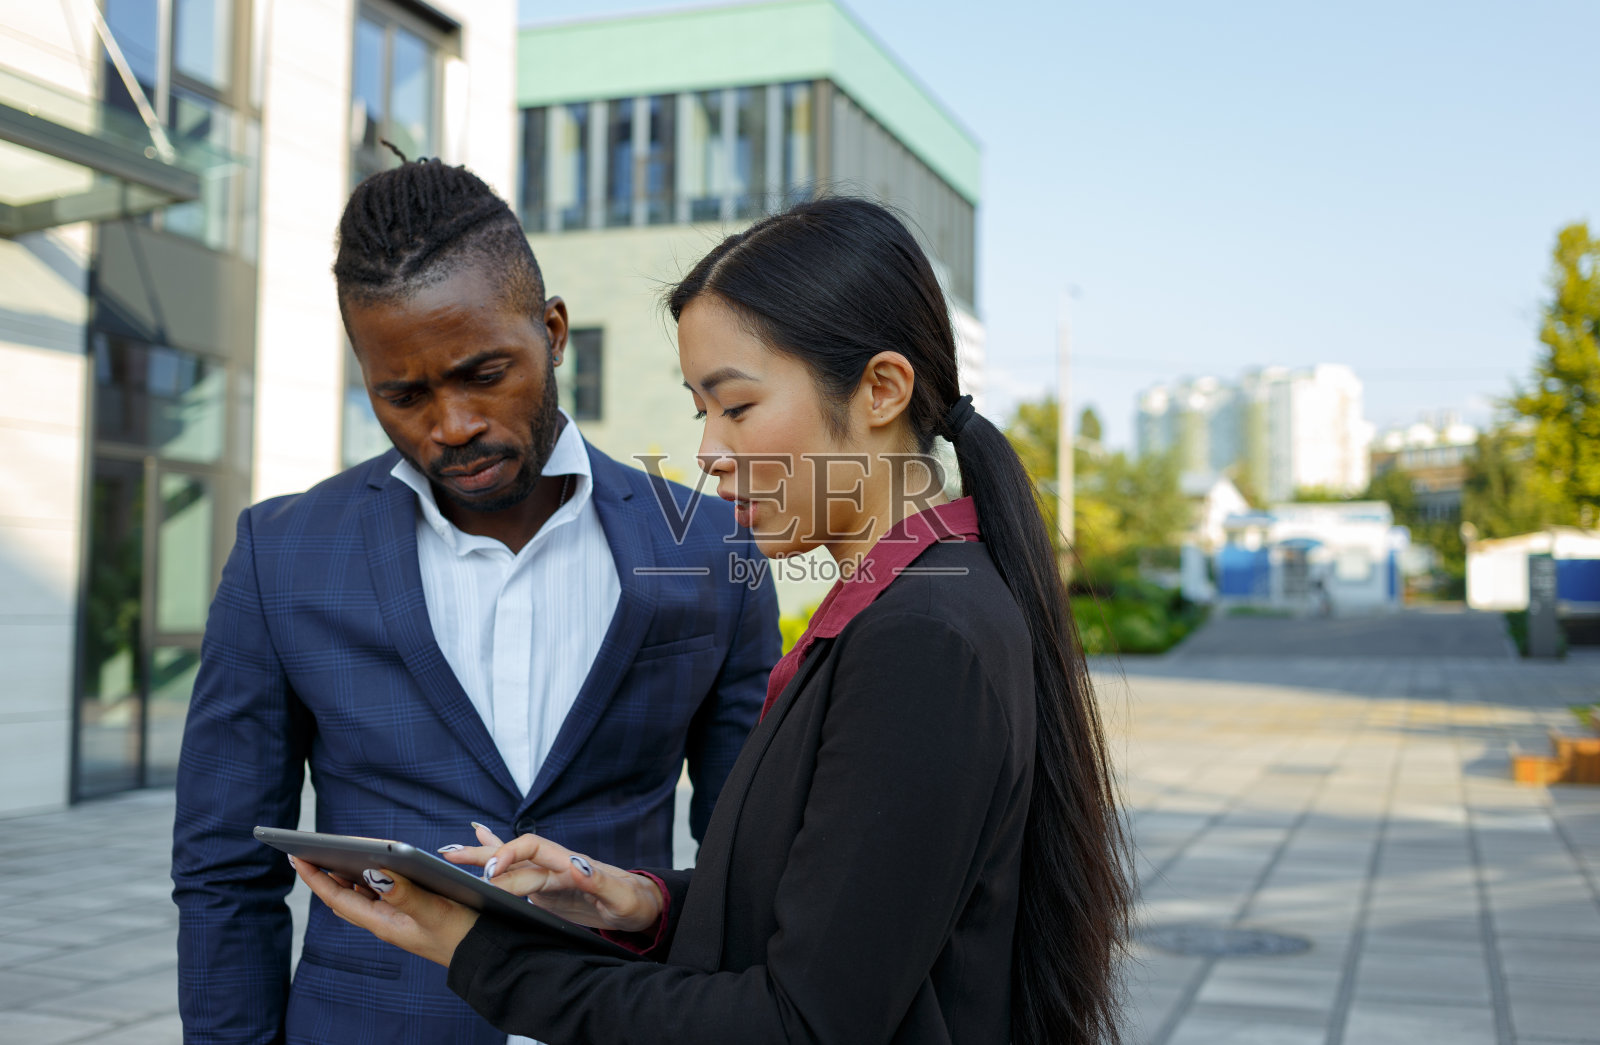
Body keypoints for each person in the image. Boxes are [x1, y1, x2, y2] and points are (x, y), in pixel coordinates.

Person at [291, 197, 1132, 1044]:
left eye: (737, 406)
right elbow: (836, 913)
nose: (709, 452)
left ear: (881, 389)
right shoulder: (912, 604)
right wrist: (641, 900)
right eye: (702, 411)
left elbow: (799, 1022)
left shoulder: (923, 638)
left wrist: (480, 952)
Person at [172, 158, 780, 1045]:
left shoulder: (707, 544)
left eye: (483, 373)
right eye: (404, 395)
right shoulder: (283, 555)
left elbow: (746, 857)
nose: (450, 425)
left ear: (555, 330)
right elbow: (223, 869)